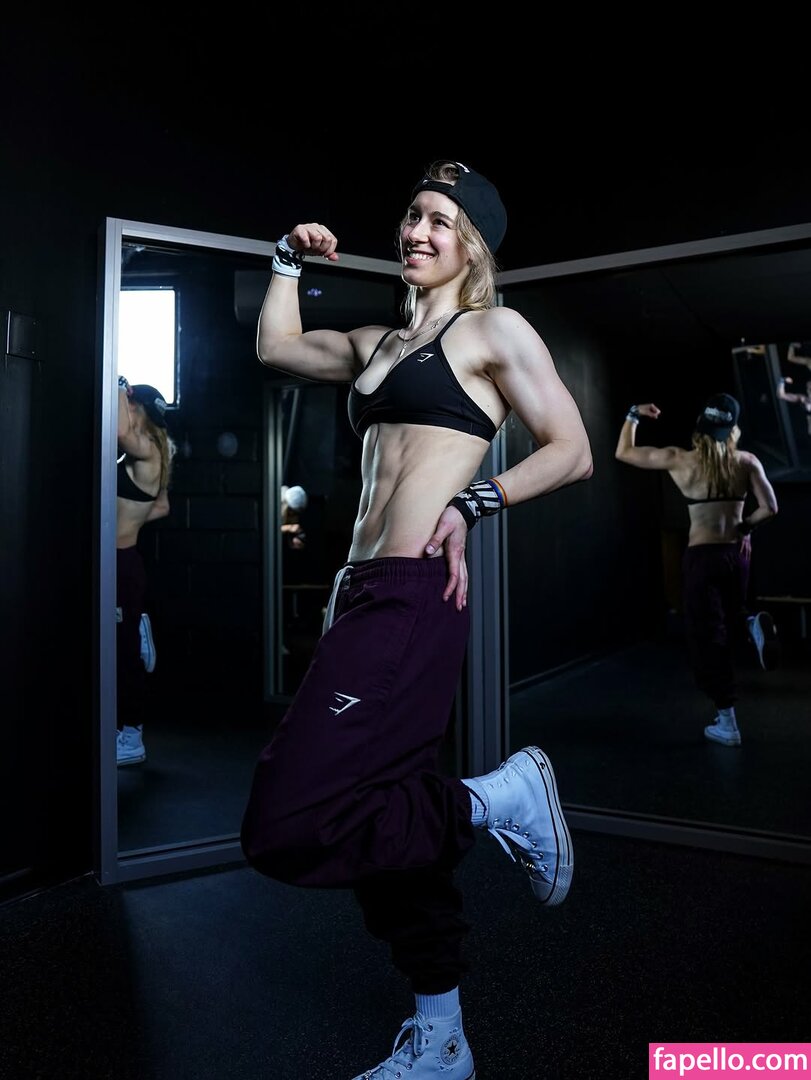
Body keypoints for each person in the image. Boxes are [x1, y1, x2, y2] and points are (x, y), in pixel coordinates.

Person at [240, 159, 592, 1079]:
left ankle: (497, 798)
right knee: (385, 811)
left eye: (440, 220)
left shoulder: (492, 330)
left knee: (287, 820)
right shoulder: (375, 343)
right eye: (412, 214)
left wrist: (475, 503)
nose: (417, 231)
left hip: (409, 589)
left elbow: (572, 450)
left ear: (471, 244)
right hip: (359, 591)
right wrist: (286, 260)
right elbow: (278, 349)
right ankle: (442, 1036)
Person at [615, 393, 779, 748]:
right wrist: (745, 528)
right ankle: (750, 622)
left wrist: (633, 414)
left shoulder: (680, 459)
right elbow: (770, 507)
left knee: (708, 636)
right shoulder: (747, 462)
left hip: (702, 557)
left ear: (701, 428)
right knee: (731, 618)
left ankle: (728, 722)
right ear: (732, 430)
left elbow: (624, 452)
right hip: (736, 555)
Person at [116, 377, 175, 766]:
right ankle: (136, 624)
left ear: (136, 409)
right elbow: (161, 507)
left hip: (122, 564)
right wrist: (130, 518)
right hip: (123, 561)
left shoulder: (147, 448)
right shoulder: (157, 452)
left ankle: (132, 736)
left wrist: (118, 385)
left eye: (128, 404)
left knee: (122, 654)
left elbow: (120, 432)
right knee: (112, 645)